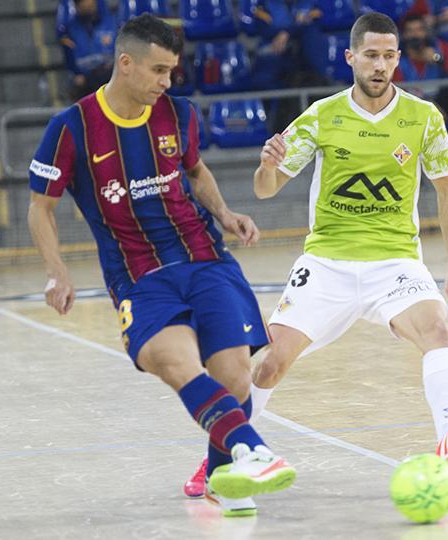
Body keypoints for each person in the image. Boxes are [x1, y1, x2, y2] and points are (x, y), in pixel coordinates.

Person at [185, 11, 448, 497]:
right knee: (268, 363)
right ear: (350, 57)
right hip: (326, 263)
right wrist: (267, 166)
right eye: (371, 55)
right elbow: (265, 190)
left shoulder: (423, 118)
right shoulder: (322, 116)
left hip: (395, 262)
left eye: (389, 56)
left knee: (436, 328)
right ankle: (220, 459)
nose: (381, 65)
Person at [28, 14, 295, 517]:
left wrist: (226, 213)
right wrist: (57, 271)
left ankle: (223, 480)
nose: (167, 82)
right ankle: (253, 449)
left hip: (204, 258)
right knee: (175, 362)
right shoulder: (71, 128)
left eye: (172, 71)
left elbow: (194, 169)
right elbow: (40, 206)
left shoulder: (180, 115)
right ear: (125, 64)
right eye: (158, 70)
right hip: (139, 276)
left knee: (236, 376)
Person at [58, 0, 117, 101]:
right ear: (77, 6)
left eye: (92, 4)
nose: (90, 7)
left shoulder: (111, 23)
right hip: (85, 79)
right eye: (83, 4)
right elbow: (69, 58)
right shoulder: (71, 30)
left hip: (109, 75)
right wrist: (77, 73)